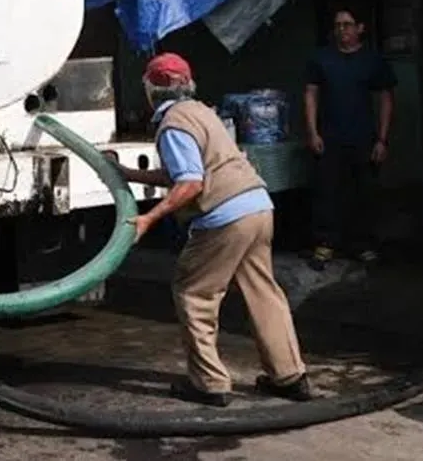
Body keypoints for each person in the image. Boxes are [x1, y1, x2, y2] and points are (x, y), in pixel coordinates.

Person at [121, 52, 312, 407]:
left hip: (224, 217)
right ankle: (289, 376)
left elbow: (191, 183)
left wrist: (149, 218)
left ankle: (209, 383)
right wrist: (131, 176)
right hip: (257, 205)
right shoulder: (202, 113)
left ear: (153, 89)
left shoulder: (173, 124)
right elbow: (186, 173)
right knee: (263, 290)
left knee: (194, 292)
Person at [304, 9, 397, 268]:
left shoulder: (371, 60)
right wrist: (312, 132)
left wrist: (382, 139)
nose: (342, 30)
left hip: (363, 137)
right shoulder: (322, 59)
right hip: (329, 136)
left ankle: (363, 244)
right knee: (327, 191)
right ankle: (325, 244)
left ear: (360, 28)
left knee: (364, 192)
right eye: (338, 25)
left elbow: (386, 99)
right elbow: (311, 94)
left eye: (347, 25)